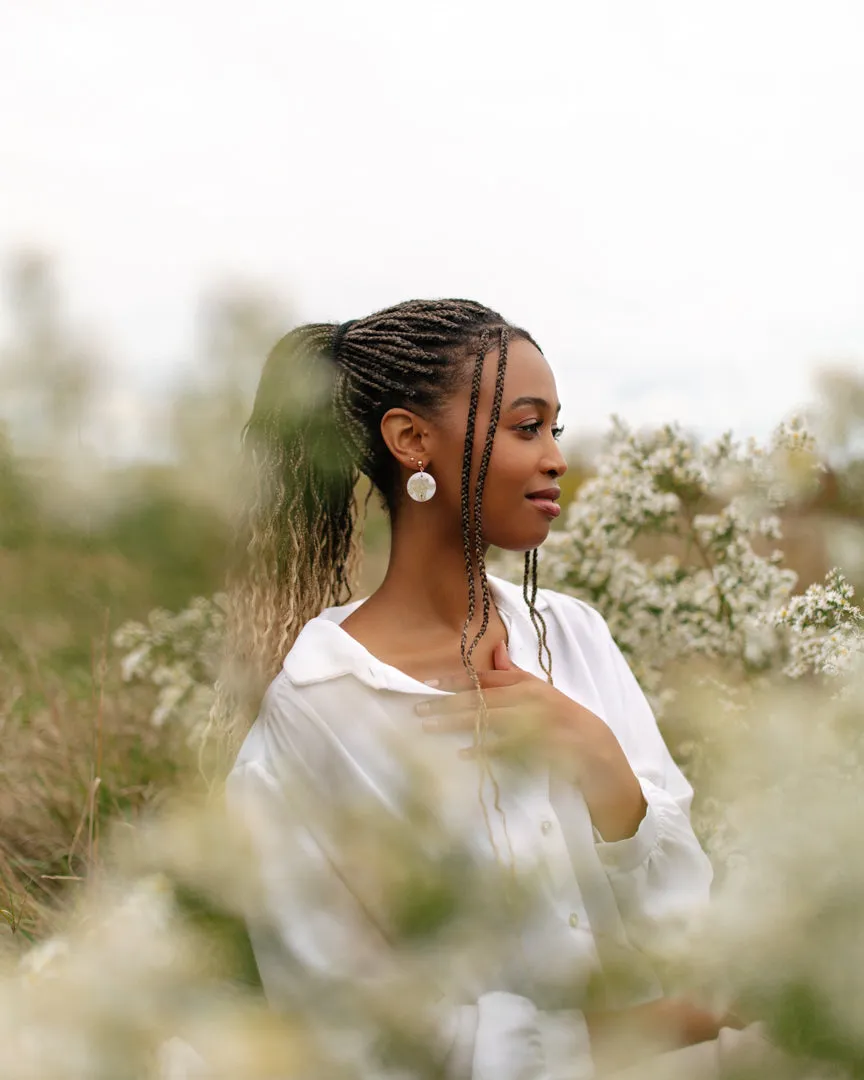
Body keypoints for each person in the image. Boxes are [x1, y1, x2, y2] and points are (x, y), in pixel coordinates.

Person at [220, 299, 753, 1078]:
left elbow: (685, 924)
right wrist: (652, 1027)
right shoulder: (315, 713)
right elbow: (352, 1033)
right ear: (410, 441)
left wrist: (600, 764)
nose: (556, 459)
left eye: (554, 430)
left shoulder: (574, 637)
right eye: (525, 427)